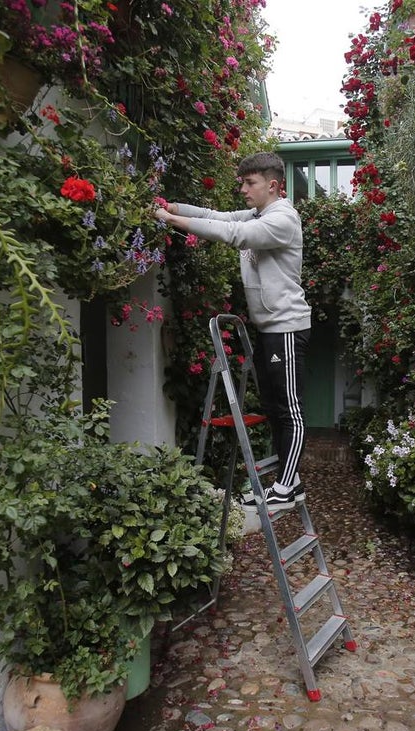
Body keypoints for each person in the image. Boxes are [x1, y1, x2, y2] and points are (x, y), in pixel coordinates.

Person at [154, 152, 309, 511]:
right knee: (275, 408)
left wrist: (171, 220)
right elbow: (217, 217)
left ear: (273, 185)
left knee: (290, 410)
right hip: (269, 328)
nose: (243, 189)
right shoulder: (259, 214)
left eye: (250, 183)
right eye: (243, 183)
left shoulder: (282, 219)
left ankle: (286, 488)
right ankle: (292, 482)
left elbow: (234, 235)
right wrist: (174, 206)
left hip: (286, 327)